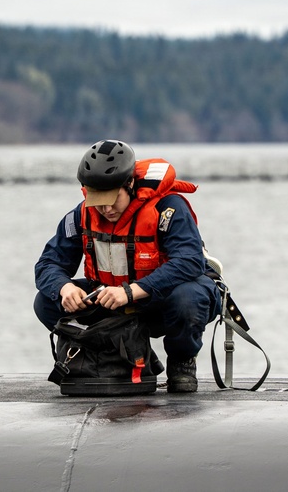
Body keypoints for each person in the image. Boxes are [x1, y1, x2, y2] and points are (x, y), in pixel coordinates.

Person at [33, 139, 221, 392]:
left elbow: (189, 262)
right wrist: (64, 287)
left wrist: (131, 291)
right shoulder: (80, 215)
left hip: (160, 301)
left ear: (130, 184)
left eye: (113, 198)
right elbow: (47, 264)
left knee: (189, 297)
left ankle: (182, 360)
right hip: (110, 299)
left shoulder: (169, 208)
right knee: (45, 301)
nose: (107, 208)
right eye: (98, 200)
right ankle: (120, 355)